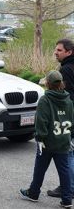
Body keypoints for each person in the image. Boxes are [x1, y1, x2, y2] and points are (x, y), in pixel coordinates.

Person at [20, 70, 74, 208]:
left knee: (40, 168)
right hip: (63, 141)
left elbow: (41, 121)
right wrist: (69, 136)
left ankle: (33, 193)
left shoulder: (45, 99)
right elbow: (71, 120)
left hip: (47, 142)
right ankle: (67, 199)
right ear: (61, 83)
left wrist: (39, 137)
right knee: (65, 170)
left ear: (48, 84)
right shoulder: (68, 100)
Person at [47, 38, 74, 198]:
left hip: (69, 118)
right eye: (56, 49)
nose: (55, 52)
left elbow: (66, 97)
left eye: (59, 50)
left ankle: (67, 188)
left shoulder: (66, 70)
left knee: (67, 155)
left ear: (69, 52)